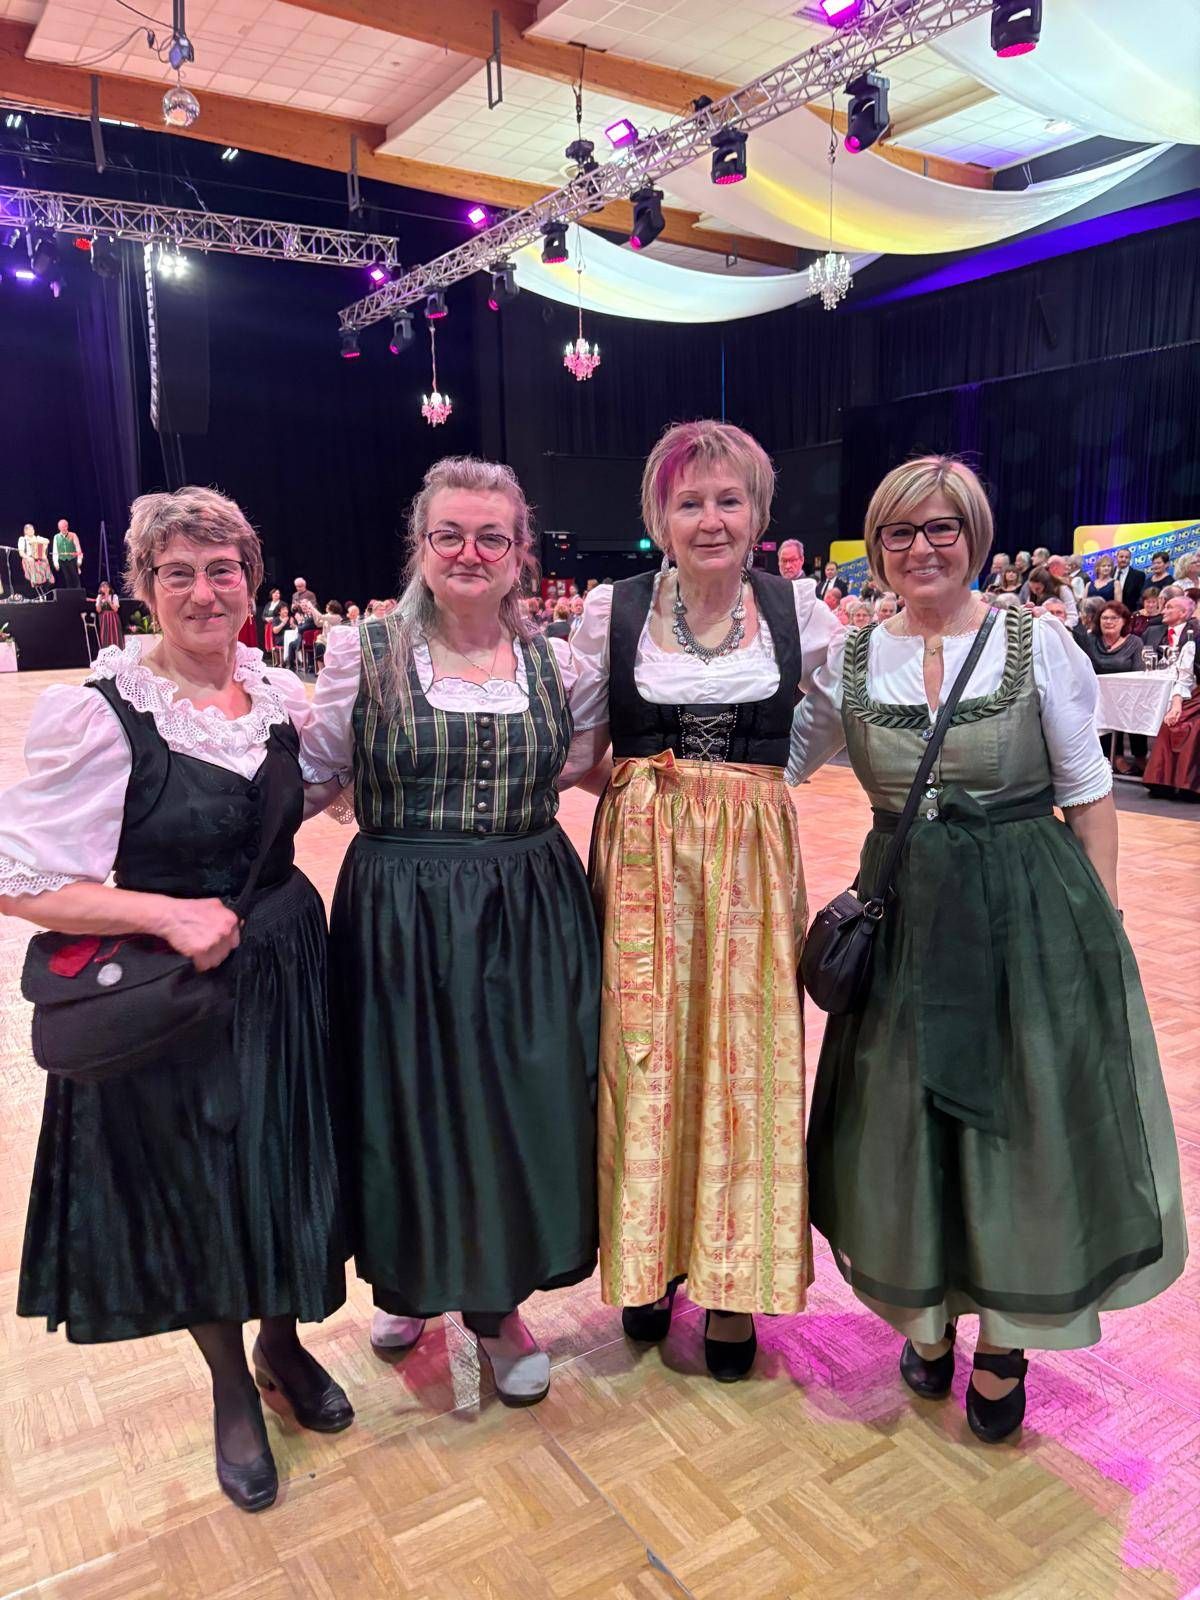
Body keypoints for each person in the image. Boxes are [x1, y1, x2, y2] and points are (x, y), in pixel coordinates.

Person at [788, 455, 1186, 1443]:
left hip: (1025, 911)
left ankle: (1003, 1337)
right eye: (899, 532)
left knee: (1013, 1124)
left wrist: (1101, 931)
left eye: (942, 529)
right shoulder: (849, 658)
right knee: (907, 1121)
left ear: (974, 537)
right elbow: (782, 761)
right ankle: (928, 1314)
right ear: (877, 547)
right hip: (903, 916)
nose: (921, 548)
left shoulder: (1035, 642)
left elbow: (1088, 794)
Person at [0, 487, 350, 1512]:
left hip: (284, 965)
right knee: (197, 1185)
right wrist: (165, 914)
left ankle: (284, 1346)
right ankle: (231, 1384)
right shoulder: (99, 713)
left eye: (224, 568)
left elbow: (316, 791)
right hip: (173, 989)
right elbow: (19, 879)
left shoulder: (280, 692)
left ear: (251, 577)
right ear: (144, 589)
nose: (206, 591)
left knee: (286, 1165)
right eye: (179, 572)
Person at [301, 457, 600, 1406]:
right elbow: (312, 776)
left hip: (527, 906)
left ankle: (497, 1306)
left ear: (520, 553)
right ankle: (412, 1281)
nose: (471, 553)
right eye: (450, 536)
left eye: (492, 537)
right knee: (408, 1100)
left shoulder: (559, 663)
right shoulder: (365, 651)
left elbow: (586, 761)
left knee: (521, 1103)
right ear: (421, 546)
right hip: (400, 911)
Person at [567, 419, 841, 1381]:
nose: (711, 519)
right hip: (644, 866)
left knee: (745, 1066)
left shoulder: (805, 614)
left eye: (730, 500)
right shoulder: (613, 611)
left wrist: (753, 792)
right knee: (642, 1058)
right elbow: (583, 753)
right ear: (659, 516)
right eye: (690, 501)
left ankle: (729, 1285)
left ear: (761, 515)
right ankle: (645, 1262)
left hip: (753, 873)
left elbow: (827, 731)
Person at [1144, 639, 1200, 798]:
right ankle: (1164, 781)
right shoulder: (1194, 645)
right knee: (1174, 723)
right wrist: (1176, 706)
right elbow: (1184, 680)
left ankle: (1191, 785)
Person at [18, 524, 55, 600]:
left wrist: (38, 539)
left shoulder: (37, 538)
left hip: (39, 559)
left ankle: (47, 582)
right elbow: (21, 553)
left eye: (33, 529)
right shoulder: (22, 539)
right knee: (32, 563)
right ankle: (35, 583)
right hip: (29, 559)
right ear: (25, 531)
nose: (32, 531)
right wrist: (28, 557)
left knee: (45, 562)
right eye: (30, 530)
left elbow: (47, 541)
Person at [52, 519, 83, 589]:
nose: (63, 528)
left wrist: (79, 560)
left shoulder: (73, 535)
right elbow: (55, 550)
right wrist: (56, 562)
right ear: (58, 528)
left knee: (75, 577)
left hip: (72, 559)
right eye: (61, 527)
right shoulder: (56, 537)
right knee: (67, 579)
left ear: (67, 526)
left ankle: (78, 593)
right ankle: (70, 595)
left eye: (64, 526)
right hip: (62, 560)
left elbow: (78, 548)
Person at [93, 580, 122, 649]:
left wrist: (108, 600)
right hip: (103, 618)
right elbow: (98, 610)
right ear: (100, 589)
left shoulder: (114, 596)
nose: (105, 588)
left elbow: (116, 609)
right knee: (105, 634)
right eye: (103, 587)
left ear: (110, 588)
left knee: (114, 634)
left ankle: (116, 650)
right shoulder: (99, 597)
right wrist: (100, 600)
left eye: (107, 587)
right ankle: (106, 651)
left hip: (113, 618)